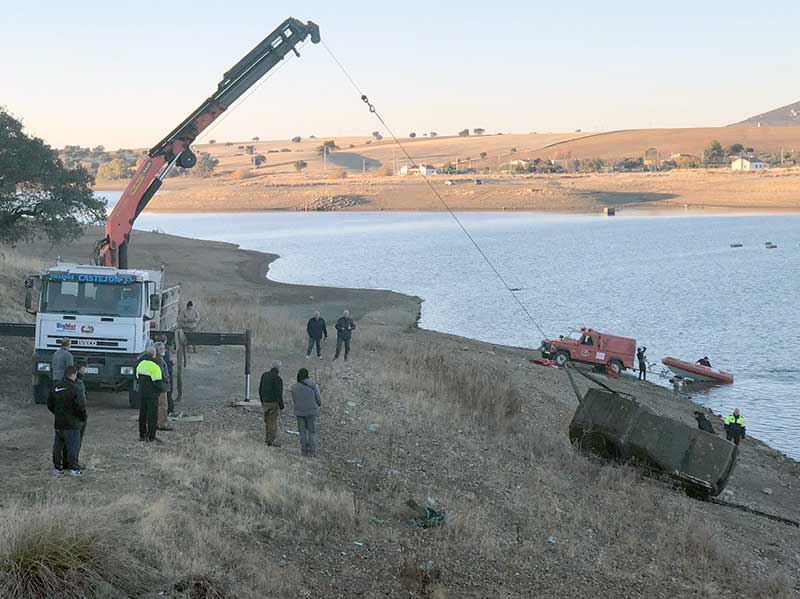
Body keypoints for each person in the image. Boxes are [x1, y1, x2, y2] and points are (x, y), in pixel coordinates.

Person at [48, 366, 87, 476]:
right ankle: (74, 468)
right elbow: (80, 406)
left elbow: (50, 404)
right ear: (73, 374)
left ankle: (57, 468)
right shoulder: (75, 389)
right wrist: (82, 418)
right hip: (72, 423)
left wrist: (57, 413)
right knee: (73, 446)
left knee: (58, 446)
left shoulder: (55, 387)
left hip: (59, 422)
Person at [136, 346, 166, 442]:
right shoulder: (155, 366)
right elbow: (158, 383)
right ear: (154, 354)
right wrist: (161, 389)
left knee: (142, 414)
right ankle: (151, 436)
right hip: (152, 394)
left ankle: (142, 435)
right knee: (152, 415)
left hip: (142, 393)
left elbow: (137, 378)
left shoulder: (140, 364)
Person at [61, 365, 89, 470]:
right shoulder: (78, 384)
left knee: (65, 440)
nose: (85, 370)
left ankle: (65, 462)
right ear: (79, 370)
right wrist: (83, 415)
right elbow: (81, 401)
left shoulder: (62, 383)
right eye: (84, 368)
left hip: (64, 415)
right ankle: (73, 463)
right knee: (75, 441)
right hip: (75, 416)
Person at [291, 368, 322, 457]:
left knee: (302, 432)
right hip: (311, 411)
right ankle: (312, 451)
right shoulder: (313, 385)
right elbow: (319, 400)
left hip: (299, 412)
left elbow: (294, 400)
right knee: (311, 432)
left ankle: (304, 451)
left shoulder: (294, 387)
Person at [259, 360, 284, 446]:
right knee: (272, 422)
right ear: (279, 368)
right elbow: (279, 394)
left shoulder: (264, 375)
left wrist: (262, 400)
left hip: (265, 402)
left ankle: (267, 438)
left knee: (267, 421)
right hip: (273, 403)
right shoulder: (278, 379)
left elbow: (260, 389)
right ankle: (271, 440)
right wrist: (281, 405)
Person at [155, 342, 174, 432]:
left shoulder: (159, 359)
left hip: (160, 386)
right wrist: (166, 379)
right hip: (162, 386)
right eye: (161, 349)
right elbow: (162, 373)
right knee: (163, 406)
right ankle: (162, 424)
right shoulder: (159, 360)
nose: (164, 350)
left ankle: (158, 422)